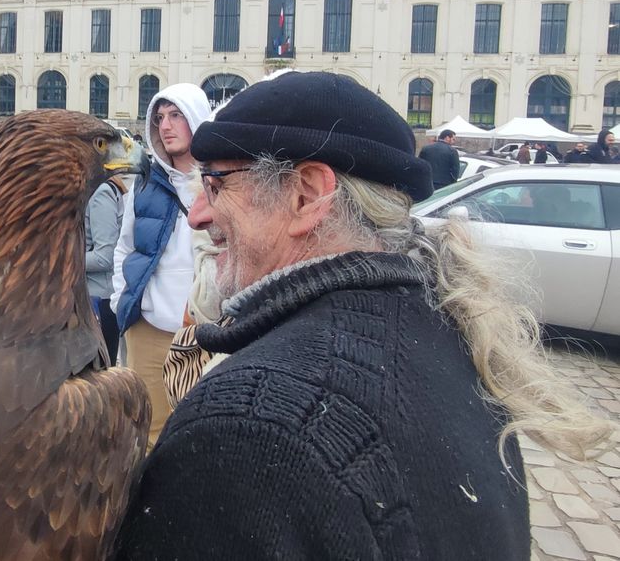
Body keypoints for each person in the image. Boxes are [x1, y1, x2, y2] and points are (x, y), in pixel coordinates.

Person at [113, 71, 612, 560]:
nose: (198, 214)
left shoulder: (246, 424)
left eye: (218, 184)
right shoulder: (451, 332)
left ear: (306, 195)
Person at [111, 83, 211, 448]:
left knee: (199, 430)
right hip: (149, 328)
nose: (165, 126)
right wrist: (122, 299)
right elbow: (125, 248)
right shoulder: (144, 185)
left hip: (203, 332)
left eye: (176, 115)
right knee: (147, 431)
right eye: (159, 117)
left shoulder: (221, 181)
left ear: (197, 119)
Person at [85, 176, 127, 365]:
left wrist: (59, 261)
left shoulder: (98, 193)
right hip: (94, 299)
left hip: (100, 302)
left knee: (99, 375)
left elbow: (104, 257)